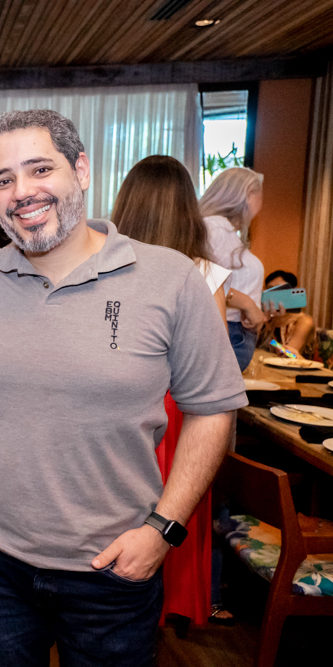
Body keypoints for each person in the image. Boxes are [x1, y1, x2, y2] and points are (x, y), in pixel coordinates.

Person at [0, 110, 247, 665]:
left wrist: (164, 529)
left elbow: (213, 410)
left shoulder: (170, 278)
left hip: (113, 569)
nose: (22, 192)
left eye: (41, 169)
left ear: (82, 170)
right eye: (3, 179)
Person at [112, 154, 232, 628]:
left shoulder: (112, 266)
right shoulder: (204, 272)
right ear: (188, 208)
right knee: (171, 513)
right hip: (182, 419)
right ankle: (165, 604)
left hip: (127, 408)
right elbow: (212, 369)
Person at [201, 167, 268, 371]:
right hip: (226, 331)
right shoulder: (215, 228)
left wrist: (256, 306)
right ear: (248, 194)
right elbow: (201, 281)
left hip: (234, 331)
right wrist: (246, 304)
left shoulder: (224, 231)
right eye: (260, 196)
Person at [259, 269, 315, 358]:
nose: (274, 295)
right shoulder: (267, 318)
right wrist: (261, 322)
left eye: (280, 290)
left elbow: (288, 354)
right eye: (270, 289)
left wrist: (272, 340)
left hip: (295, 365)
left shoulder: (303, 321)